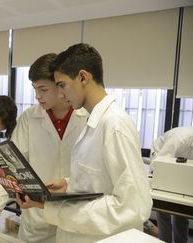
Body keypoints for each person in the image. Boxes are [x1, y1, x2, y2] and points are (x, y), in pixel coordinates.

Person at [15, 43, 152, 243]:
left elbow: (133, 206)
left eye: (62, 85)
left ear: (83, 77)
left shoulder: (114, 125)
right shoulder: (94, 121)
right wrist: (69, 185)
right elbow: (101, 180)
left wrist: (54, 209)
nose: (60, 94)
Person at [0, 53, 88, 242]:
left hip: (74, 217)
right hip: (37, 220)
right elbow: (10, 165)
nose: (37, 96)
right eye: (35, 89)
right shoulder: (29, 118)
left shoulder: (87, 117)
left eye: (43, 89)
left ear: (60, 85)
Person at [150, 126, 193, 243]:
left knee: (181, 212)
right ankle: (165, 241)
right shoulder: (180, 139)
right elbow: (161, 162)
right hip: (161, 158)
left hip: (178, 168)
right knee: (163, 210)